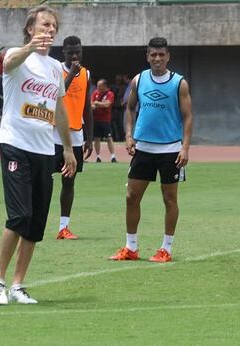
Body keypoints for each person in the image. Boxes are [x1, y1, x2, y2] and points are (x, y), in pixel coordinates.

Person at [0, 6, 77, 305]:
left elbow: (59, 110)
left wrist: (66, 148)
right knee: (19, 215)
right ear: (30, 28)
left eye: (53, 26)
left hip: (43, 150)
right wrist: (28, 47)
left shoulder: (54, 68)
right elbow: (9, 63)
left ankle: (18, 285)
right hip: (15, 144)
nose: (49, 30)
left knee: (36, 221)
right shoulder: (17, 54)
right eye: (44, 25)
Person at [109, 37, 193, 263]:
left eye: (161, 55)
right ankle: (131, 247)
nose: (157, 58)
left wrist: (185, 148)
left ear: (168, 56)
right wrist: (128, 135)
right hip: (143, 148)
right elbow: (130, 109)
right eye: (153, 55)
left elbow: (188, 117)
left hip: (170, 150)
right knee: (131, 197)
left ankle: (165, 248)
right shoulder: (139, 80)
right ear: (147, 56)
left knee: (169, 200)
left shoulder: (179, 83)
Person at [54, 35, 93, 240]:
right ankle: (34, 220)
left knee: (69, 181)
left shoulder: (86, 74)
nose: (75, 56)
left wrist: (90, 137)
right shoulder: (56, 70)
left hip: (76, 135)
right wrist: (71, 73)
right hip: (53, 135)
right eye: (71, 52)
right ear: (64, 52)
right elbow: (56, 94)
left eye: (78, 51)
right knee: (42, 179)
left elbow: (87, 106)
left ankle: (64, 227)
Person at [91, 79, 117, 163]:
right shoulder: (95, 93)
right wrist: (98, 104)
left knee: (109, 138)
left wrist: (97, 103)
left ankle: (113, 156)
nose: (97, 87)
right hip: (96, 119)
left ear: (104, 86)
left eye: (99, 86)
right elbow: (91, 104)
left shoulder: (110, 94)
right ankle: (98, 156)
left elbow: (107, 104)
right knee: (96, 138)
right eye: (97, 85)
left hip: (105, 120)